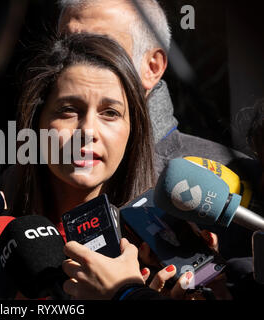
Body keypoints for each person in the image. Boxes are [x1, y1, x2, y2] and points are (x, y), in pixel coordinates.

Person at [56, 0, 262, 263]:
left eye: (98, 48)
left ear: (152, 66)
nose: (72, 61)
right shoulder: (20, 177)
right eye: (63, 44)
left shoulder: (227, 183)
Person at [2, 32, 198, 299]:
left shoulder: (162, 248)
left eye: (110, 113)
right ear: (36, 125)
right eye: (68, 109)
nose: (88, 130)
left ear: (133, 132)